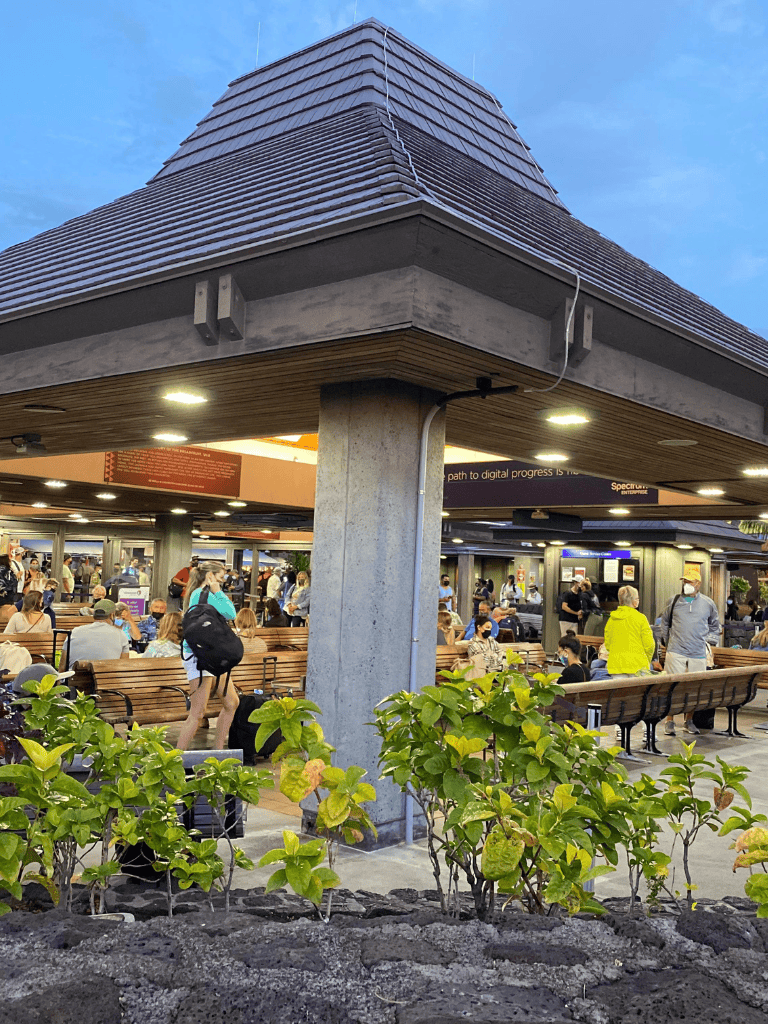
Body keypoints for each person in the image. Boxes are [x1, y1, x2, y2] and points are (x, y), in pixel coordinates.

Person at [177, 560, 240, 751]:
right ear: (210, 575)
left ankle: (218, 750)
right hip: (200, 656)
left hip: (210, 653)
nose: (223, 580)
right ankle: (174, 758)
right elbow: (230, 613)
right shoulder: (203, 594)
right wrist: (217, 590)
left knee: (231, 702)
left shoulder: (199, 594)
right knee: (198, 712)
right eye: (220, 576)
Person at [660, 566, 721, 736]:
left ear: (698, 584)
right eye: (684, 581)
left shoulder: (708, 603)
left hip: (697, 653)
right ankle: (669, 721)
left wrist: (710, 641)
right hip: (676, 651)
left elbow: (715, 625)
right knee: (672, 687)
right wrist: (666, 640)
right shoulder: (673, 601)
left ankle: (689, 720)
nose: (686, 584)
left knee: (694, 689)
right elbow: (664, 622)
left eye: (689, 581)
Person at [603, 586, 654, 676]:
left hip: (616, 666)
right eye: (637, 598)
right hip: (638, 666)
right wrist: (646, 660)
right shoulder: (641, 618)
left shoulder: (611, 619)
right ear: (634, 602)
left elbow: (608, 644)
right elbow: (649, 645)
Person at [63, 599, 131, 666]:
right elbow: (123, 667)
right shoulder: (121, 635)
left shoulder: (75, 632)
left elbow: (62, 667)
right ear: (112, 615)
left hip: (75, 676)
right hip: (107, 676)